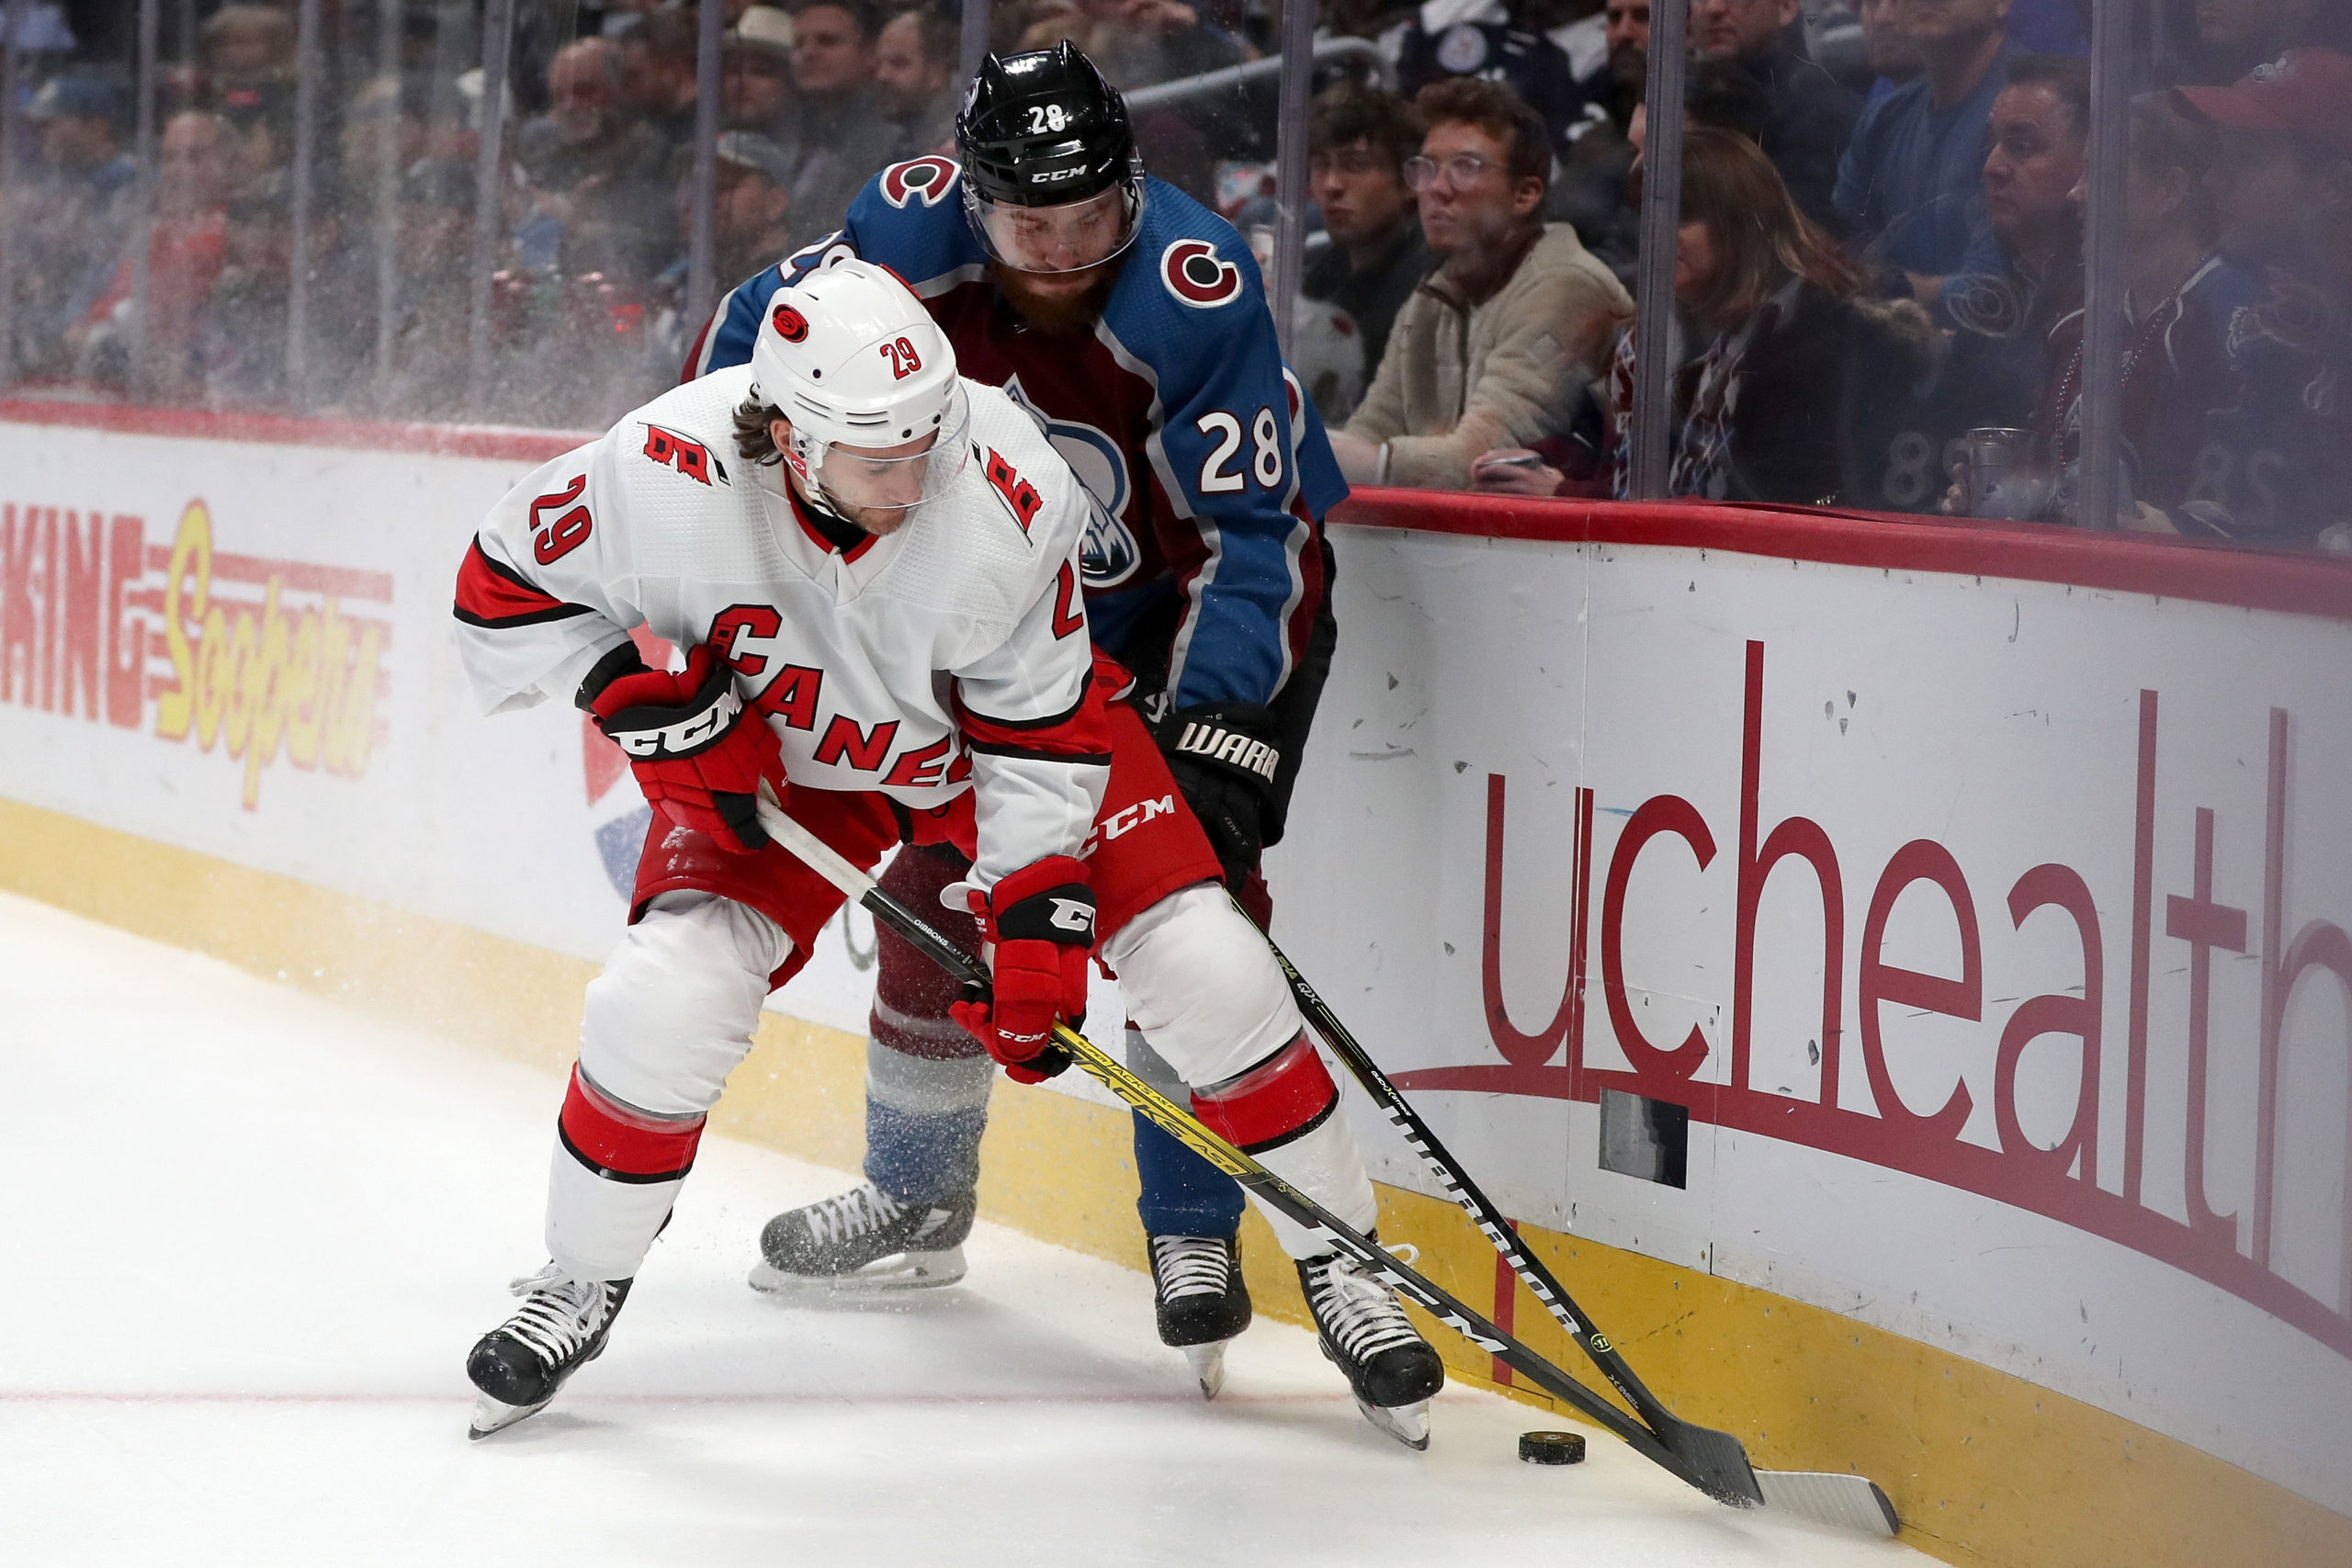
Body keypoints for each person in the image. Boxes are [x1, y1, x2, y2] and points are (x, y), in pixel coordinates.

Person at [457, 259, 1443, 1447]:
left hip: (992, 753)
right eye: (881, 455)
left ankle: (1349, 1269)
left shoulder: (1012, 479)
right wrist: (631, 694)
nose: (917, 474)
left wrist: (1036, 921)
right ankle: (581, 1275)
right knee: (664, 994)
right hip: (794, 757)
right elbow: (498, 594)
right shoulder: (657, 465)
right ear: (788, 434)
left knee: (1210, 966)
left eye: (931, 437)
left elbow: (1039, 735)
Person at [687, 43, 1347, 1400]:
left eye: (1092, 219)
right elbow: (736, 372)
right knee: (932, 882)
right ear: (973, 204)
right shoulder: (896, 236)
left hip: (1183, 615)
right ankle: (918, 1198)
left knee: (1189, 915)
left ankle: (1192, 1232)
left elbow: (1252, 537)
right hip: (982, 623)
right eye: (1028, 226)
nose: (1061, 255)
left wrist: (1216, 723)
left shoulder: (1192, 286)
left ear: (1136, 189)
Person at [1475, 127, 1931, 504]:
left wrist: (1568, 495)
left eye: (1680, 217)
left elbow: (1761, 511)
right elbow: (1605, 452)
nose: (1655, 238)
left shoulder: (1810, 337)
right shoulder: (1663, 330)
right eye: (1647, 218)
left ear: (1738, 224)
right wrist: (1542, 464)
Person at [1329, 77, 1633, 491]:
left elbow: (1481, 465)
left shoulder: (1566, 287)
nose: (1437, 188)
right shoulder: (1432, 297)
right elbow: (1371, 428)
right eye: (1426, 168)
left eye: (1465, 168)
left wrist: (1321, 452)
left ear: (1525, 194)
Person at [2146, 47, 2352, 545]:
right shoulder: (2218, 308)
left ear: (2333, 185)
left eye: (2245, 158)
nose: (2214, 180)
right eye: (2219, 154)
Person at [1833, 0, 2018, 304]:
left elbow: (1991, 293)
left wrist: (1880, 286)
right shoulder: (1883, 119)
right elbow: (1834, 251)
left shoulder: (2029, 121)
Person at [1688, 0, 1862, 229]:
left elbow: (1798, 239)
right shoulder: (1680, 97)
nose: (1713, 8)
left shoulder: (1818, 112)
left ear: (1786, 7)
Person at [1303, 85, 1435, 380]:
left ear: (1409, 182)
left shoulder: (1426, 289)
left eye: (1355, 165)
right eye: (1321, 165)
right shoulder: (1327, 272)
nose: (1332, 184)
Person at [775, 0, 899, 241]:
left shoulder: (893, 138)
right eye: (798, 44)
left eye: (827, 41)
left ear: (870, 52)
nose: (808, 53)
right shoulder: (785, 129)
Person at [875, 6, 960, 163]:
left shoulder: (958, 142)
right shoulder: (899, 141)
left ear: (937, 70)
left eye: (898, 63)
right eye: (878, 63)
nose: (882, 76)